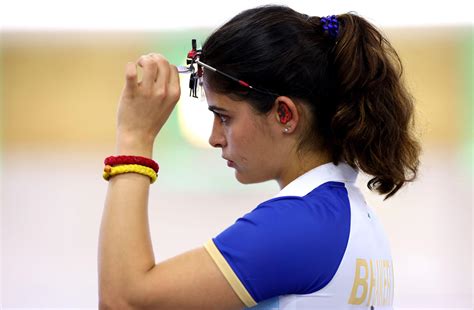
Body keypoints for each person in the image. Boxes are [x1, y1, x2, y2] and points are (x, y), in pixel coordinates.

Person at [98, 4, 420, 310]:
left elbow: (124, 301)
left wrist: (135, 137)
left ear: (284, 113)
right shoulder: (354, 218)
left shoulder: (298, 224)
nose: (214, 138)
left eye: (224, 117)